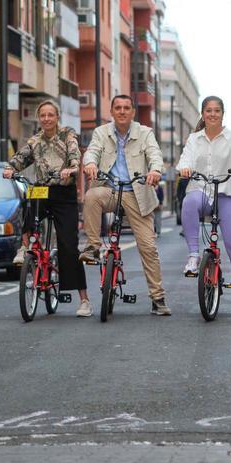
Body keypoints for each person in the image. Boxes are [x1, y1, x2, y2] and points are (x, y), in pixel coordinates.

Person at [81, 95, 171, 316]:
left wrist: (155, 170)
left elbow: (155, 154)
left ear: (132, 112)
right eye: (118, 108)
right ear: (111, 111)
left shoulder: (145, 132)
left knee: (148, 247)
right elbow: (92, 151)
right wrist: (90, 163)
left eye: (126, 108)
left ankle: (157, 298)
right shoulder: (101, 132)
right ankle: (93, 247)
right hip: (109, 189)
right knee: (91, 196)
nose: (122, 111)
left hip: (137, 192)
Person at [4, 99, 93, 318]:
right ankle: (25, 247)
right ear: (39, 117)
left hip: (64, 193)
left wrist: (71, 169)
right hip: (42, 189)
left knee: (68, 246)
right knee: (29, 200)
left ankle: (84, 301)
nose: (46, 119)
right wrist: (9, 168)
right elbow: (20, 158)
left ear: (57, 116)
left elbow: (75, 155)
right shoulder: (34, 140)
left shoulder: (67, 135)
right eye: (42, 115)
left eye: (50, 115)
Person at [177, 96, 231, 316]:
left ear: (223, 113)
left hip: (228, 192)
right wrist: (184, 169)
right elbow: (185, 159)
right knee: (189, 201)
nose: (212, 114)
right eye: (208, 110)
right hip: (201, 190)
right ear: (202, 114)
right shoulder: (194, 139)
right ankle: (193, 256)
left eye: (217, 110)